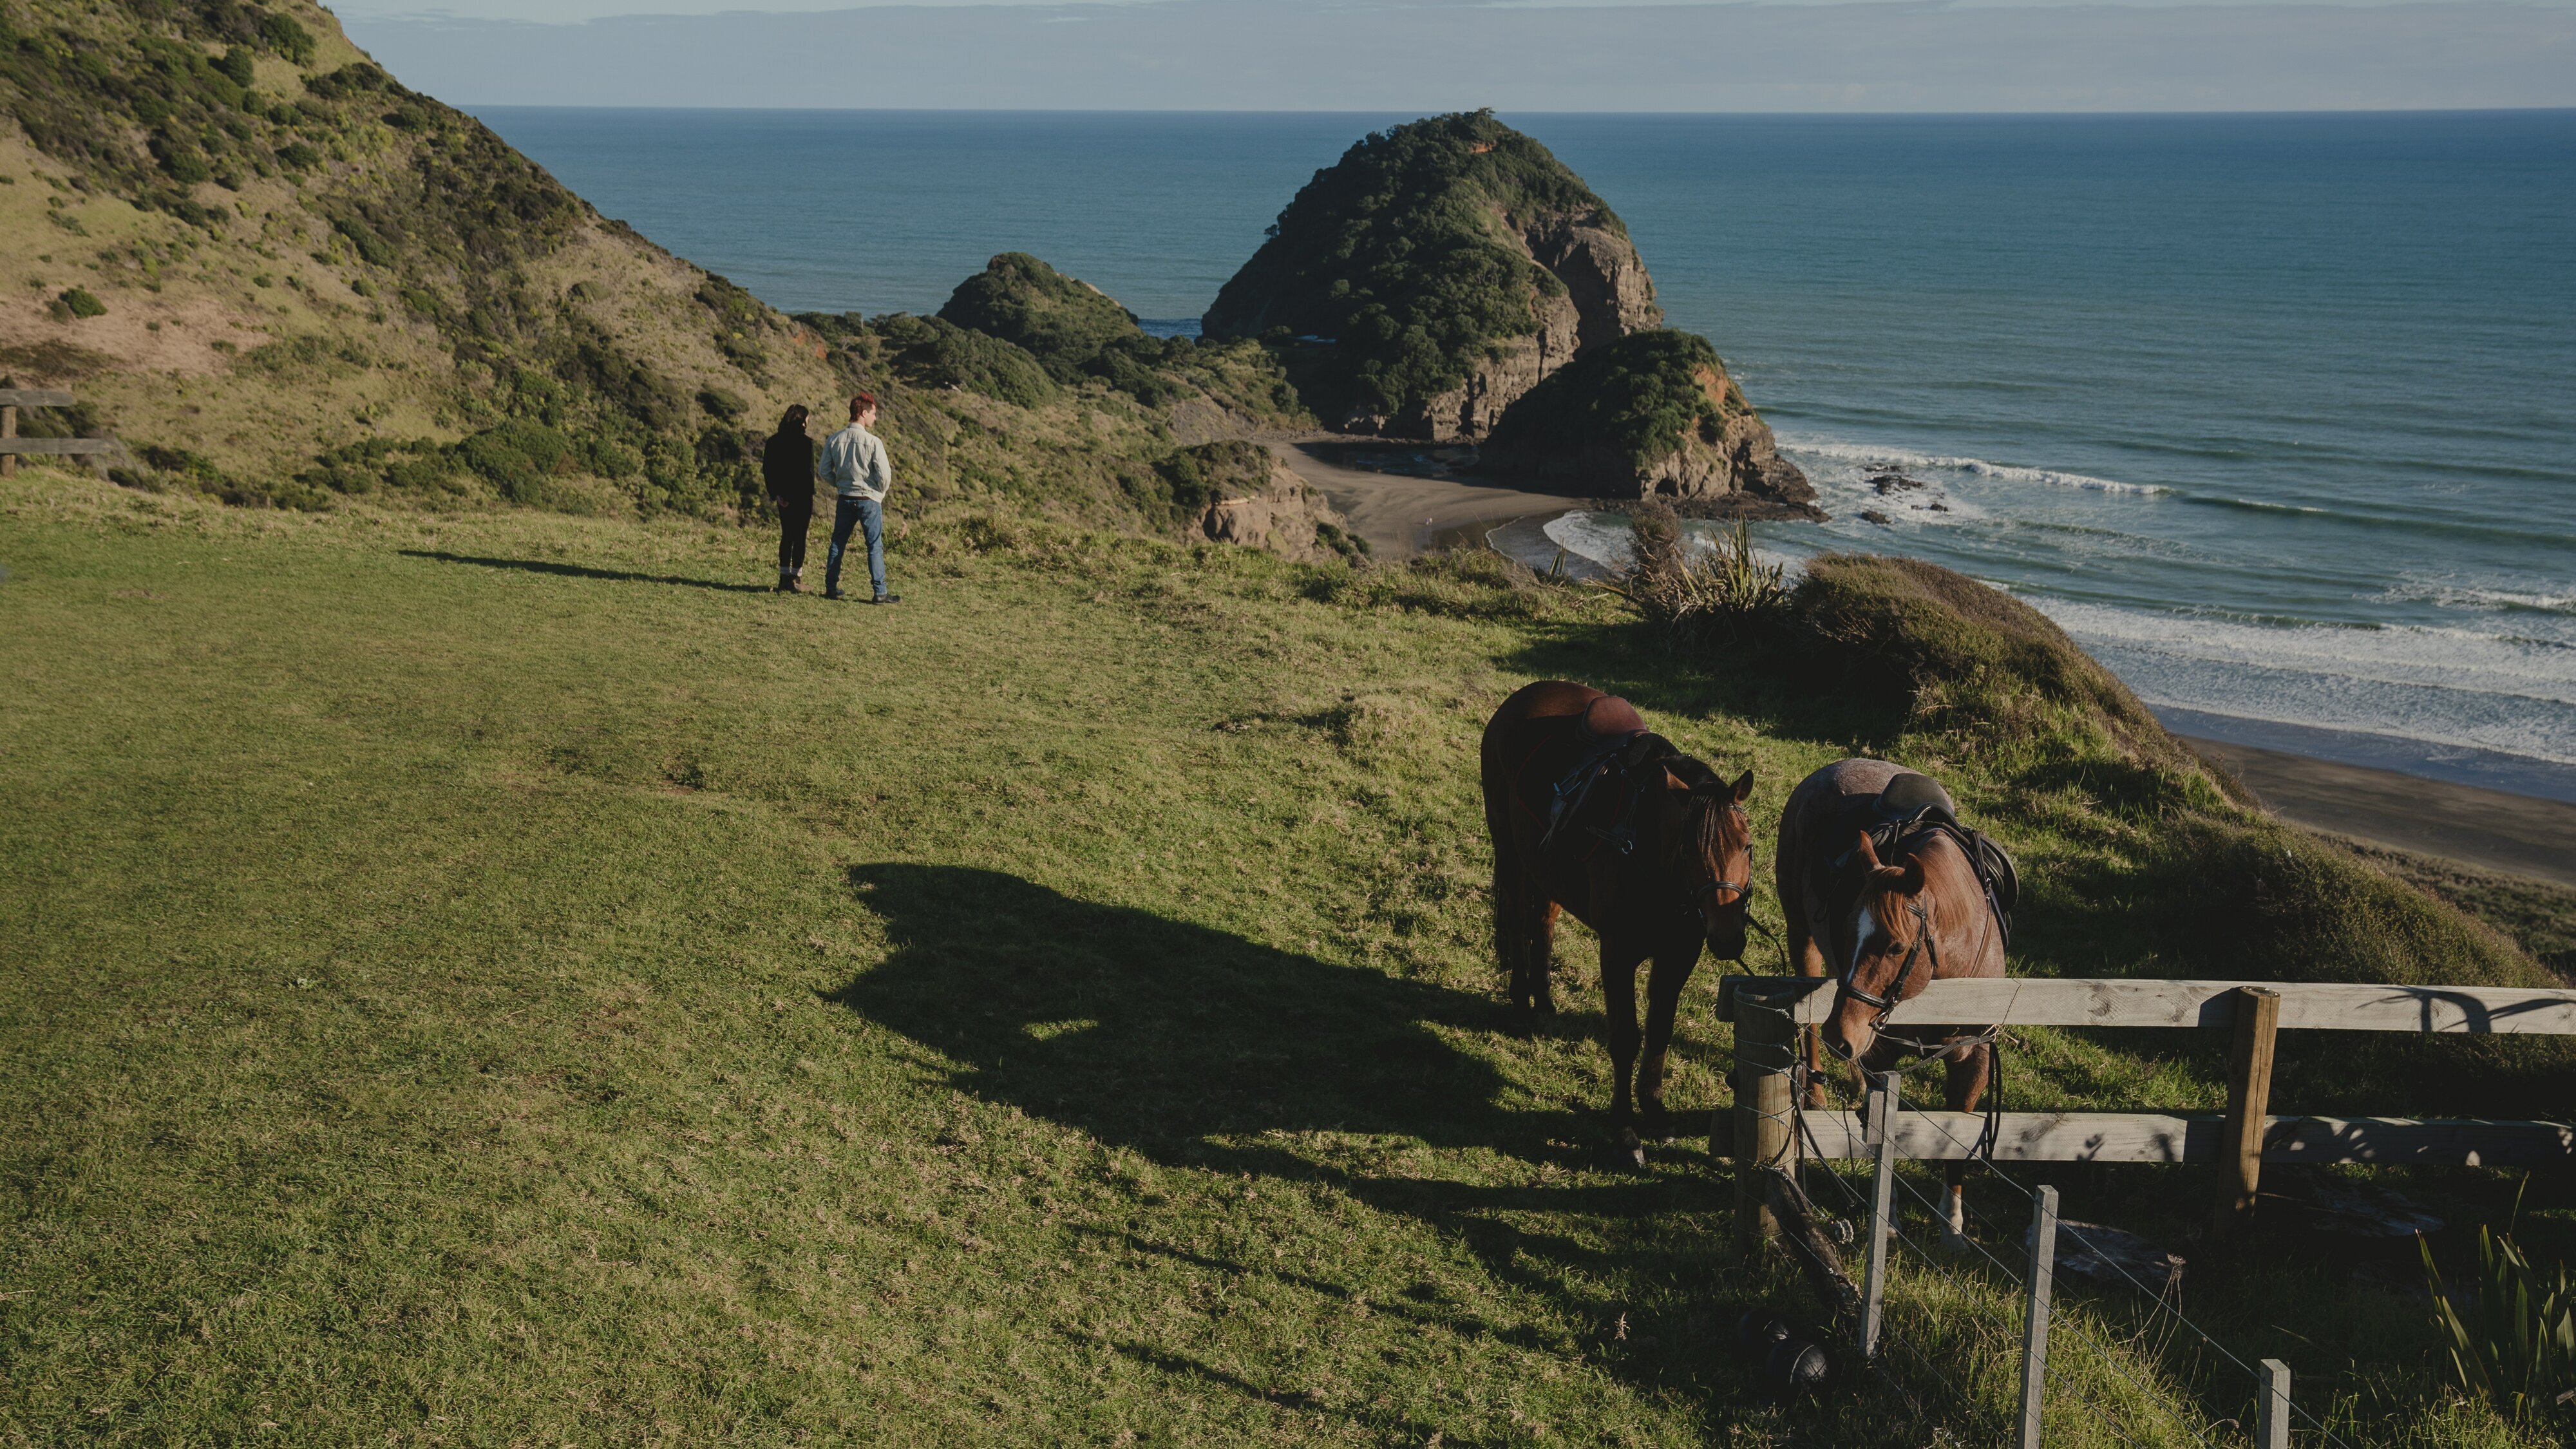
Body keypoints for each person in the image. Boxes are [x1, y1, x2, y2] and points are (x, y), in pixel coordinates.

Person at [817, 392, 899, 604]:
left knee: (838, 543)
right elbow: (885, 474)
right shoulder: (873, 442)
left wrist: (840, 483)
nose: (875, 418)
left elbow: (824, 470)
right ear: (863, 413)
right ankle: (880, 592)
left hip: (845, 497)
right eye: (873, 413)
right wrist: (879, 493)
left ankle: (831, 587)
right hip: (869, 499)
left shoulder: (834, 439)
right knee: (874, 545)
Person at [761, 404, 815, 592]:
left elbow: (769, 470)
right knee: (800, 537)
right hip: (802, 496)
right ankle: (796, 578)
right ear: (802, 421)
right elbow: (808, 474)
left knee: (787, 536)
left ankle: (784, 579)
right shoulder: (806, 443)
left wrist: (777, 493)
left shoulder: (774, 442)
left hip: (784, 497)